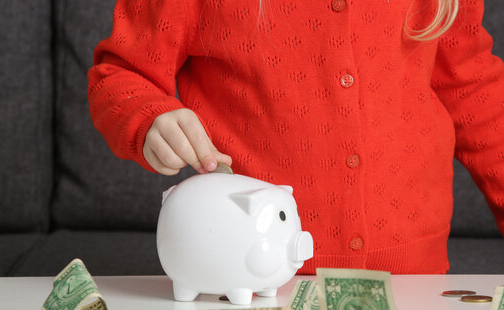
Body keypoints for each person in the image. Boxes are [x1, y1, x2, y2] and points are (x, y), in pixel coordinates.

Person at [88, 0, 504, 274]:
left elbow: (475, 93)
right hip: (247, 267)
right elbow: (121, 75)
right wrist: (149, 118)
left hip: (412, 273)